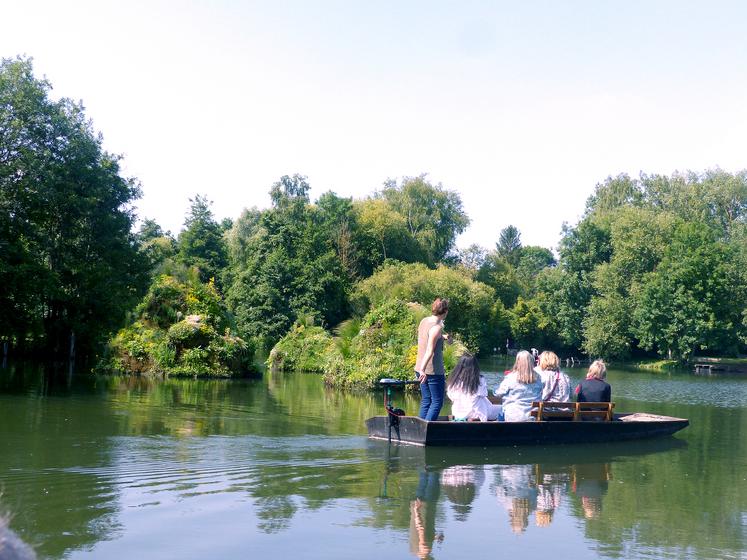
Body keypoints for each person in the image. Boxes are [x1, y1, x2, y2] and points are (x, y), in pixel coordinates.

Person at [415, 297, 449, 421]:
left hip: (419, 367)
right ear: (445, 311)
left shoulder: (424, 321)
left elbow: (428, 336)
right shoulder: (437, 327)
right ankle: (426, 430)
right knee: (437, 402)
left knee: (426, 400)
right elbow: (430, 350)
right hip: (432, 371)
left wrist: (443, 337)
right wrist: (423, 370)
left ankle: (418, 429)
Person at [446, 354, 502, 421]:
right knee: (503, 409)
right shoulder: (479, 379)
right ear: (475, 366)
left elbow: (451, 396)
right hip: (476, 413)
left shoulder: (453, 381)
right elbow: (484, 394)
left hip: (457, 413)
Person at [493, 350, 543, 422]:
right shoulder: (538, 378)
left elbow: (498, 393)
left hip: (512, 417)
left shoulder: (511, 377)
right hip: (532, 418)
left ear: (518, 362)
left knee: (500, 413)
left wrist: (495, 390)